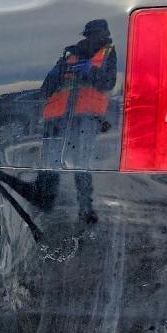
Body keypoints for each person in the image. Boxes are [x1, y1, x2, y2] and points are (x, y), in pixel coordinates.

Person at [38, 19, 117, 223]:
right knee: (50, 164)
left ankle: (85, 209)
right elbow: (46, 88)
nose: (101, 37)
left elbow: (108, 83)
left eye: (103, 33)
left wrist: (90, 70)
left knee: (81, 163)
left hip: (86, 115)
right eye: (96, 33)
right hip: (57, 115)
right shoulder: (68, 56)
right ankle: (47, 207)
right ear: (88, 35)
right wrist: (60, 73)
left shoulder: (108, 54)